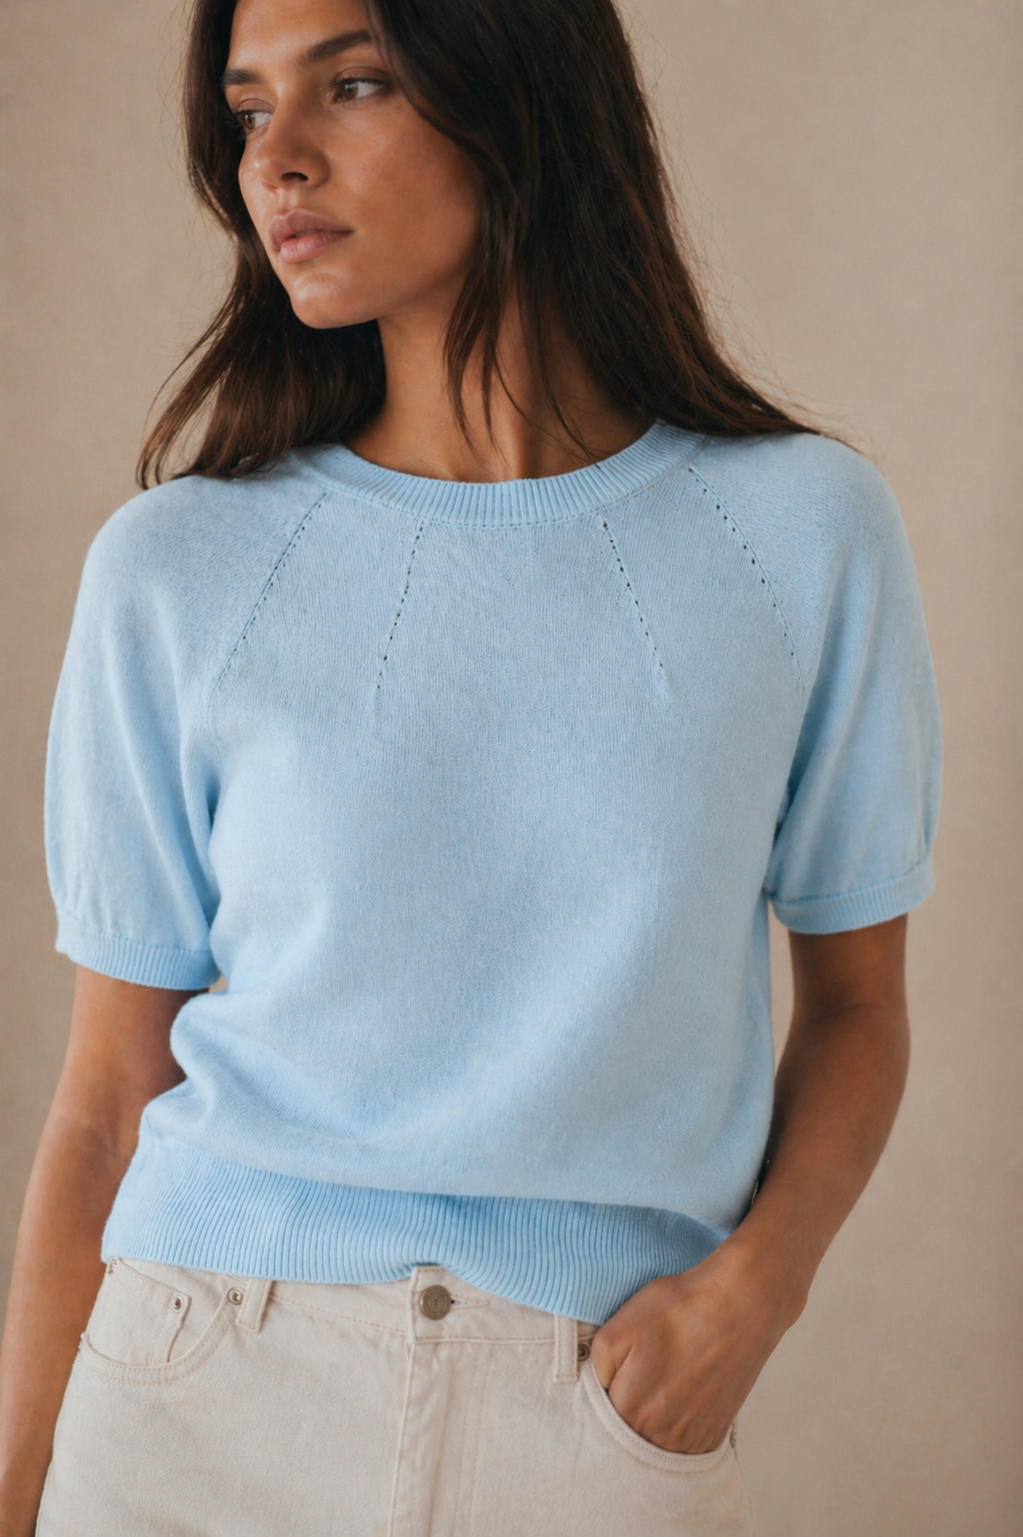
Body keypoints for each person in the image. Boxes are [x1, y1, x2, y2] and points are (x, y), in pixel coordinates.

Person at [0, 0, 941, 1531]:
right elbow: (107, 1096)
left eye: (353, 84)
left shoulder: (796, 535)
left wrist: (748, 1298)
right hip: (195, 1390)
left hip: (593, 1413)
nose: (276, 160)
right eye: (248, 110)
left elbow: (857, 1009)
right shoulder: (177, 567)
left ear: (519, 99)